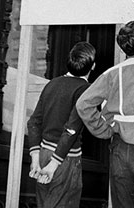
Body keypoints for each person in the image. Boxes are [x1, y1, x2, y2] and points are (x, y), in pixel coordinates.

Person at [74, 21, 134, 208]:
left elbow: (83, 104)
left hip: (120, 149)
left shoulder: (112, 73)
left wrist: (105, 131)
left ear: (122, 47)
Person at [27, 41, 96, 208]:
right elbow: (71, 130)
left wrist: (35, 159)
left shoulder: (52, 84)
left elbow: (34, 122)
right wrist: (54, 163)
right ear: (92, 66)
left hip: (43, 154)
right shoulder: (84, 89)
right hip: (65, 159)